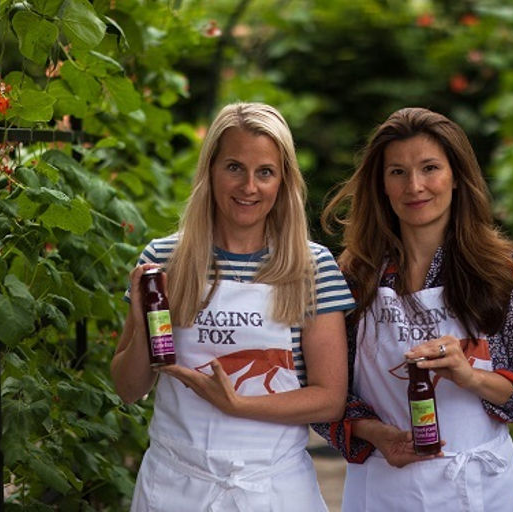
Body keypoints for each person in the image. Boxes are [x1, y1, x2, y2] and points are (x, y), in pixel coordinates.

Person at [111, 102, 355, 511]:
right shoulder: (164, 260)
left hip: (273, 490)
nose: (249, 187)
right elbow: (128, 389)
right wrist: (140, 322)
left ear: (283, 181)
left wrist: (237, 405)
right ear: (210, 170)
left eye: (265, 172)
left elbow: (330, 398)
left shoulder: (311, 267)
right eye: (234, 168)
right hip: (175, 486)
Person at [314, 107, 513, 511]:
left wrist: (471, 377)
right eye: (398, 172)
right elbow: (325, 397)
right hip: (384, 486)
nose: (415, 186)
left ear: (456, 176)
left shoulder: (503, 272)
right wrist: (378, 434)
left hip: (480, 486)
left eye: (430, 168)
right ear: (381, 185)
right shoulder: (352, 277)